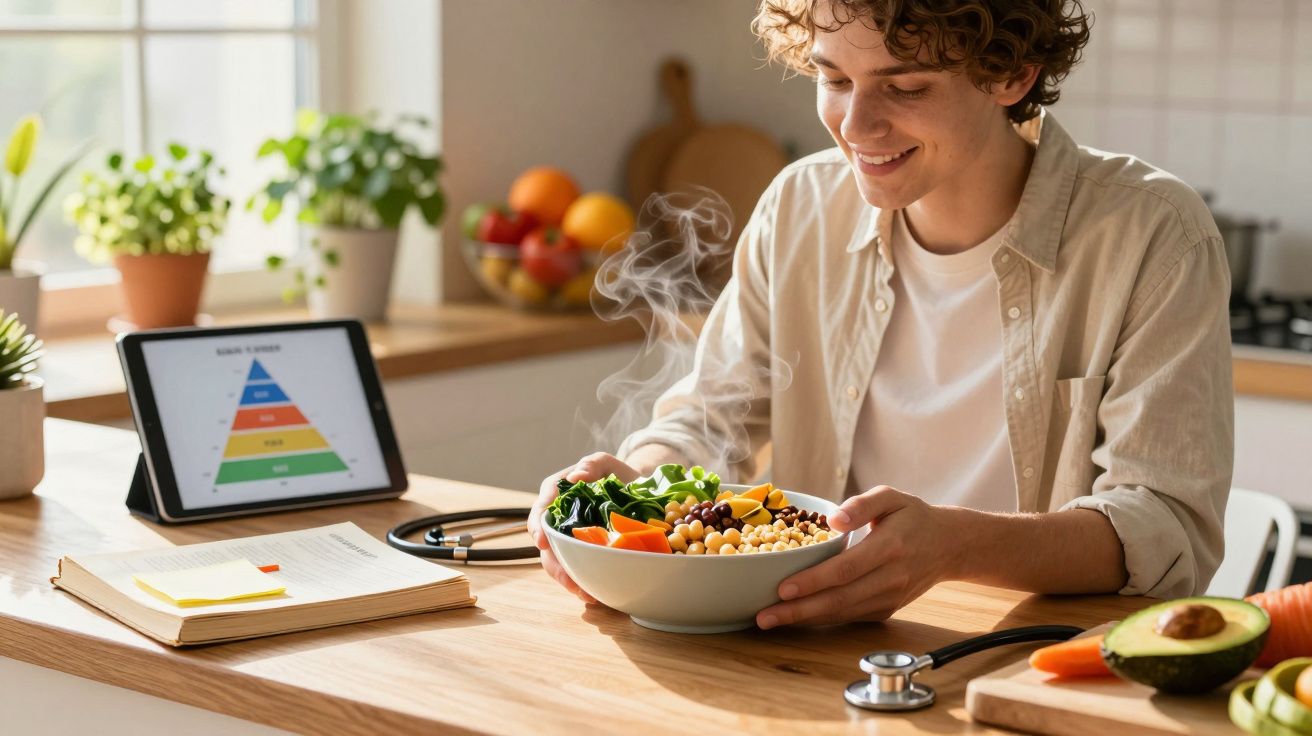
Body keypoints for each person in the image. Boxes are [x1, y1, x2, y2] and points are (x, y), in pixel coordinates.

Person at [528, 0, 1232, 629]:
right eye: (834, 79)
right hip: (803, 647)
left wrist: (955, 547)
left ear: (1012, 73)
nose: (855, 125)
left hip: (1028, 662)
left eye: (905, 87)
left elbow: (1164, 526)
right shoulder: (800, 206)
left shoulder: (1152, 233)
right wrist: (631, 484)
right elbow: (712, 419)